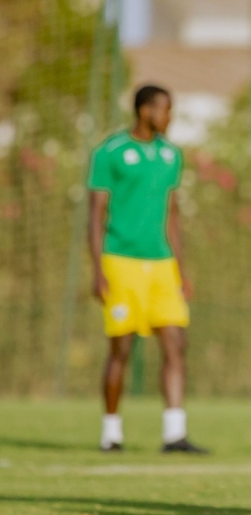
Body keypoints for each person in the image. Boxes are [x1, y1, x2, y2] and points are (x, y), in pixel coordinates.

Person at [88, 85, 206, 454]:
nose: (169, 118)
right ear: (145, 111)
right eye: (165, 111)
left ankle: (174, 434)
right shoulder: (110, 152)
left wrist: (182, 268)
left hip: (161, 264)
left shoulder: (171, 155)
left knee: (175, 343)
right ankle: (111, 433)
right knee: (121, 348)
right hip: (120, 261)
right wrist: (97, 269)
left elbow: (173, 214)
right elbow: (95, 215)